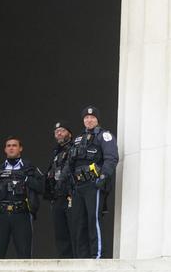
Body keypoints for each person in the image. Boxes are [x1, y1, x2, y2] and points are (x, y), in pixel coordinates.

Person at [64, 106, 118, 259]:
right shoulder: (78, 139)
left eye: (92, 117)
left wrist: (103, 176)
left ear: (97, 119)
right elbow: (70, 162)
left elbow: (111, 158)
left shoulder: (104, 136)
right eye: (86, 118)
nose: (89, 120)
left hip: (93, 184)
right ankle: (82, 257)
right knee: (79, 223)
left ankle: (97, 256)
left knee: (93, 220)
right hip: (78, 186)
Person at [0, 137, 44, 258]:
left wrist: (26, 178)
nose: (11, 148)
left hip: (21, 213)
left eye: (14, 145)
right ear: (5, 149)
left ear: (20, 148)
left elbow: (42, 187)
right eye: (8, 146)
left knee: (24, 253)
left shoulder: (29, 168)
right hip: (0, 214)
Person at [44, 120, 75, 258]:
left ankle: (76, 259)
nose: (59, 133)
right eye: (57, 132)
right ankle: (64, 259)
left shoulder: (75, 148)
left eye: (62, 130)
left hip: (70, 195)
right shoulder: (56, 152)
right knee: (60, 232)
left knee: (73, 229)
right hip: (57, 196)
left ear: (69, 133)